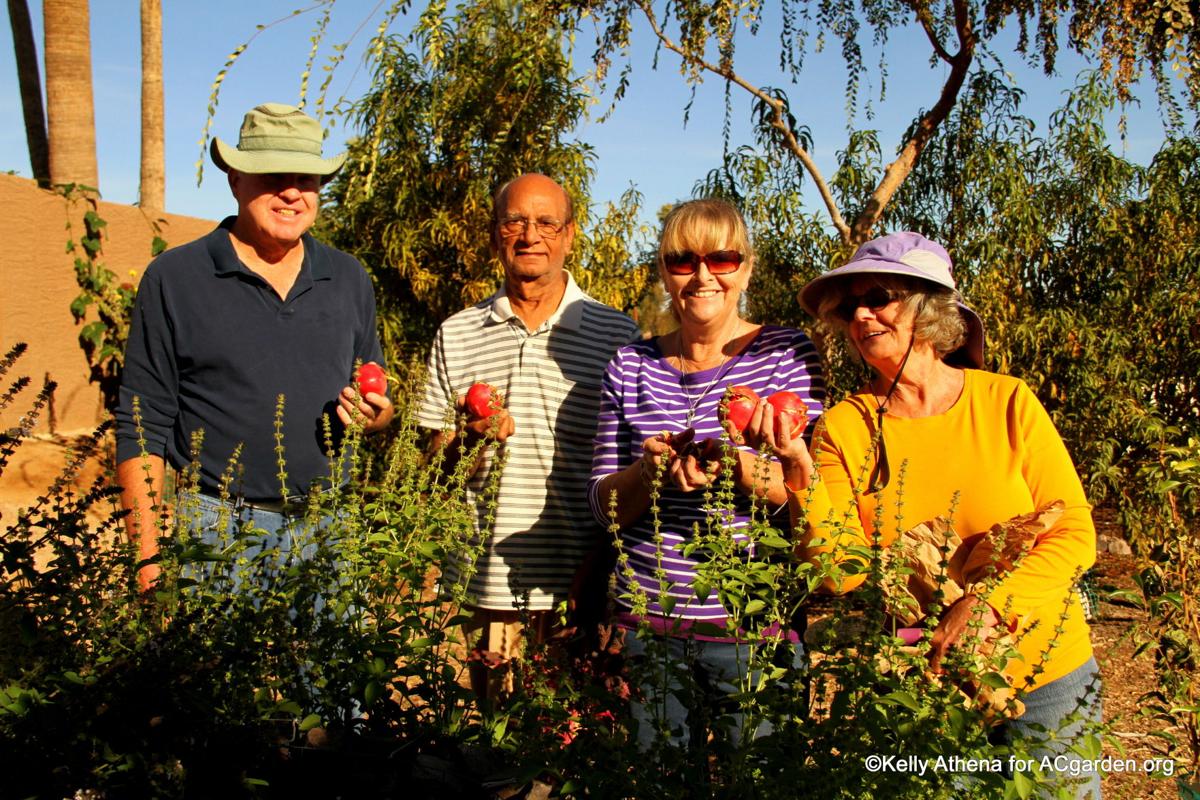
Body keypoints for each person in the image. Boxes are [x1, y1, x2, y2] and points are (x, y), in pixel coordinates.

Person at [751, 231, 1100, 797]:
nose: (861, 314)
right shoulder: (845, 426)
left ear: (927, 307)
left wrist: (986, 604)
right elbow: (840, 570)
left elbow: (1075, 533)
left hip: (1046, 673)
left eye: (879, 297)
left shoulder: (1006, 401)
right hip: (926, 687)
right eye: (849, 306)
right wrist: (797, 469)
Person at [116, 103, 394, 593]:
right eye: (272, 175)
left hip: (329, 526)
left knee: (326, 672)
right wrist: (148, 555)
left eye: (306, 178)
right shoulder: (176, 278)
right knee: (215, 671)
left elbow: (378, 399)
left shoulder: (348, 277)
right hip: (215, 527)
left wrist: (374, 415)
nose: (291, 191)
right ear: (235, 179)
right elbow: (143, 422)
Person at [587, 198, 826, 751]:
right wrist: (650, 475)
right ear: (663, 271)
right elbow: (601, 504)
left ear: (746, 267)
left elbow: (809, 497)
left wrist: (735, 468)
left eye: (721, 258)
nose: (702, 276)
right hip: (650, 626)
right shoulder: (630, 366)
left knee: (761, 780)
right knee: (661, 781)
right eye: (681, 261)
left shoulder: (786, 352)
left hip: (753, 626)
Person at [416, 173, 640, 705]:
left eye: (546, 223)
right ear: (495, 236)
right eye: (514, 221)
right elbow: (431, 471)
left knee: (572, 735)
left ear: (568, 235)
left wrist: (604, 570)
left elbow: (629, 467)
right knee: (499, 734)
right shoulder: (458, 331)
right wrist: (469, 443)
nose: (529, 235)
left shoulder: (617, 335)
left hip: (582, 577)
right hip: (486, 576)